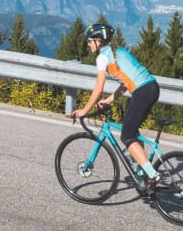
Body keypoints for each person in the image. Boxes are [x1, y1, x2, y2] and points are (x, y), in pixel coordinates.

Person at [68, 22, 161, 188]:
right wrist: (109, 100)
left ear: (97, 41)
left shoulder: (102, 57)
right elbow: (126, 83)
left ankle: (152, 175)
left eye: (89, 41)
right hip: (152, 88)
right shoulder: (119, 51)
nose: (88, 44)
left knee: (127, 136)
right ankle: (142, 171)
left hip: (142, 92)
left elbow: (98, 88)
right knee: (132, 130)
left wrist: (85, 110)